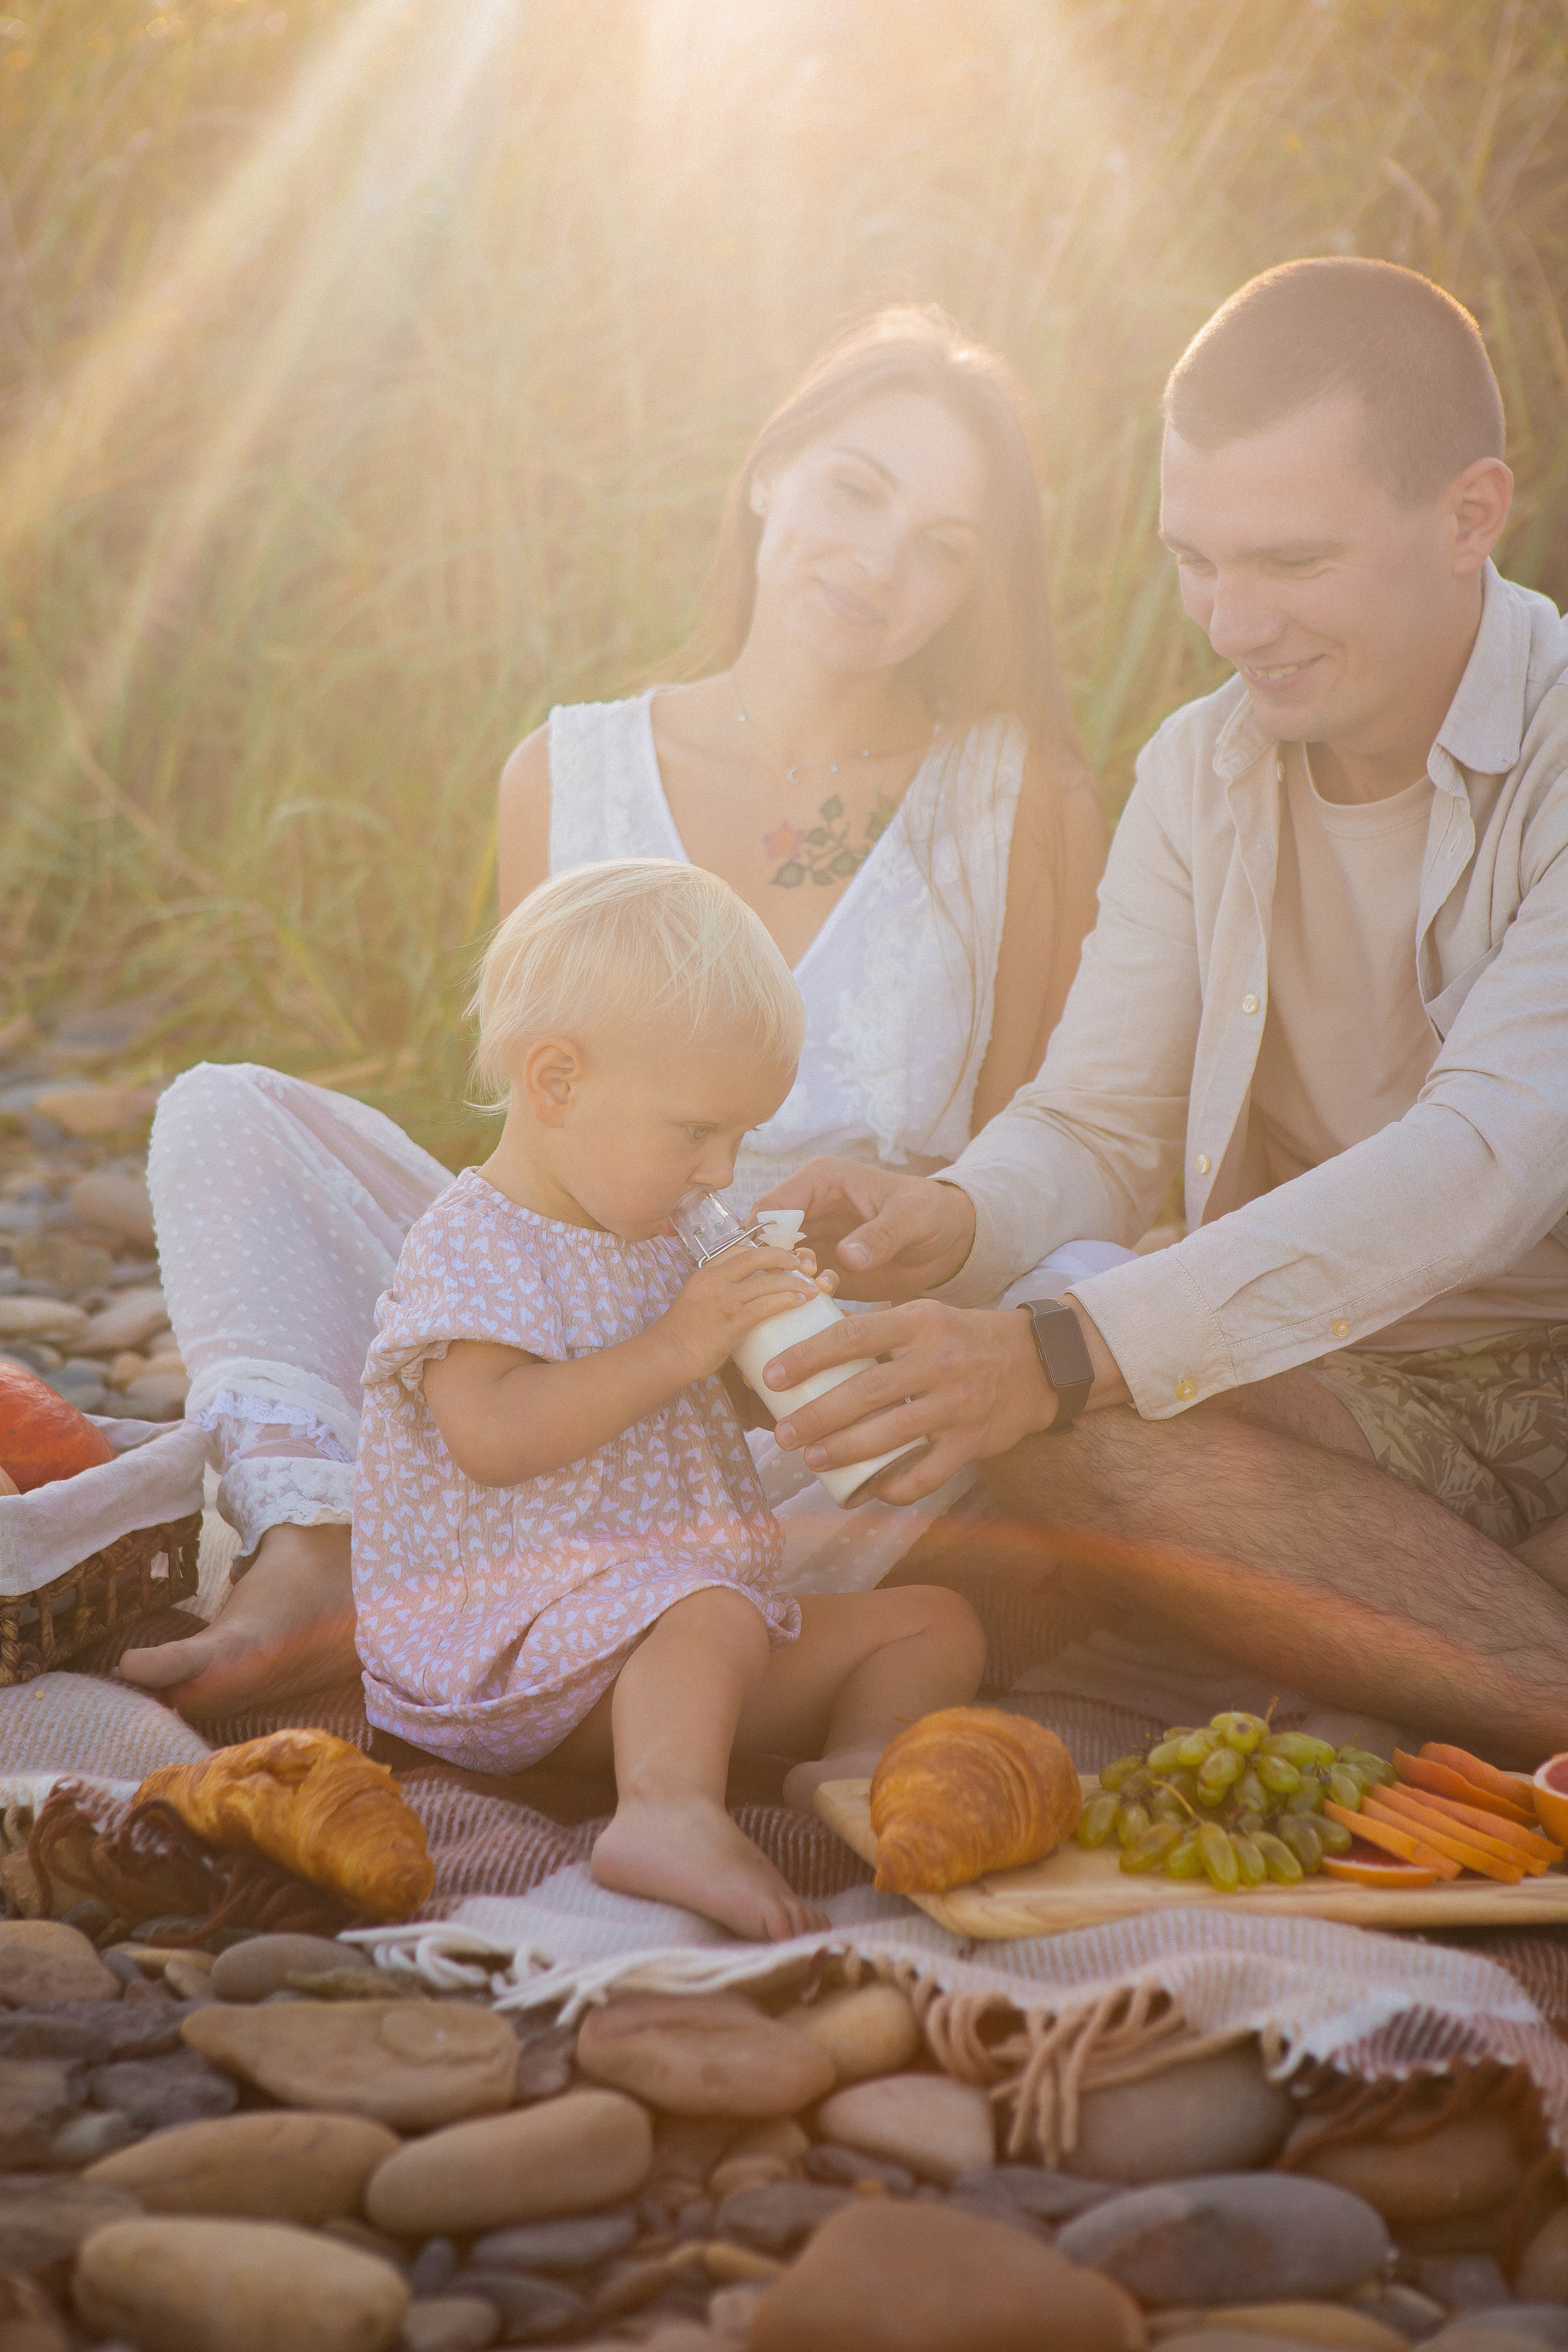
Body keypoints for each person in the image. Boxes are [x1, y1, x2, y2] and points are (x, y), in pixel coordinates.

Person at [126, 304, 1101, 1715]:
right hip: (572, 1341)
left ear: (973, 585)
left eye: (943, 546)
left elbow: (1026, 1161)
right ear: (766, 473)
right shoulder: (567, 772)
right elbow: (537, 1133)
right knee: (223, 1115)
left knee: (1077, 1280)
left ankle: (554, 1599)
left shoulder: (1020, 796)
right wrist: (617, 1331)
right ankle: (324, 1548)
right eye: (853, 491)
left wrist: (866, 1269)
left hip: (828, 1384)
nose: (881, 565)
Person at [751, 258, 1568, 1766]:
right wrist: (951, 1218)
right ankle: (1485, 1644)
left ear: (1468, 517)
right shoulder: (1199, 769)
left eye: (1291, 561)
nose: (1230, 622)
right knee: (1049, 1430)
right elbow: (1097, 1121)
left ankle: (1465, 1651)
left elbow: (1488, 1153)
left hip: (1545, 1361)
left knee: (1056, 1373)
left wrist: (1062, 1351)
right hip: (1336, 1376)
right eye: (1194, 560)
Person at [353, 861, 984, 1938]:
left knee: (933, 1622)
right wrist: (681, 1343)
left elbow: (675, 1411)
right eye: (697, 1133)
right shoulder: (478, 1241)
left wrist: (783, 1357)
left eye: (741, 1139)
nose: (721, 1172)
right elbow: (491, 1435)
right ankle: (665, 1811)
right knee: (709, 1610)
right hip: (519, 1644)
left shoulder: (653, 1231)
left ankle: (854, 1774)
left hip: (671, 1640)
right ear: (557, 1084)